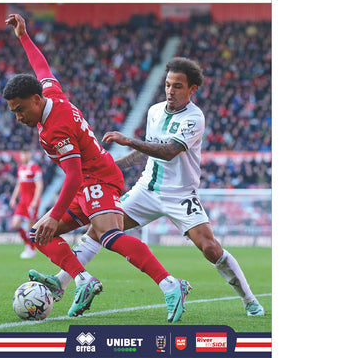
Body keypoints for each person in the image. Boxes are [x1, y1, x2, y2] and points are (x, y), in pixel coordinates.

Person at [29, 57, 265, 317]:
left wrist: (129, 140)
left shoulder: (194, 118)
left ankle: (249, 299)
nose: (170, 91)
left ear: (192, 89)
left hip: (180, 195)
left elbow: (169, 151)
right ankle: (61, 282)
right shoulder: (154, 111)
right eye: (167, 85)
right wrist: (109, 165)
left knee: (210, 248)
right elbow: (147, 152)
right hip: (145, 190)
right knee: (99, 230)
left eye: (177, 86)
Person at [2, 14, 191, 322]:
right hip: (88, 180)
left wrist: (54, 213)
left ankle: (171, 285)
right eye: (14, 111)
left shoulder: (56, 129)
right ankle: (77, 280)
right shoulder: (51, 94)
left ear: (36, 100)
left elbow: (74, 175)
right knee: (39, 234)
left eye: (20, 109)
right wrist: (23, 36)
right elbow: (41, 68)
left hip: (96, 178)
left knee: (109, 235)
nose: (18, 117)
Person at [9, 150, 44, 259]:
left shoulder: (35, 168)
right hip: (22, 202)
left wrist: (35, 200)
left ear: (29, 155)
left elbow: (39, 185)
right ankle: (29, 246)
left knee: (30, 228)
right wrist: (13, 198)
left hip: (31, 202)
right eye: (22, 154)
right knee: (15, 224)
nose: (23, 157)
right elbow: (18, 185)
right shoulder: (20, 168)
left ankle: (31, 249)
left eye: (25, 154)